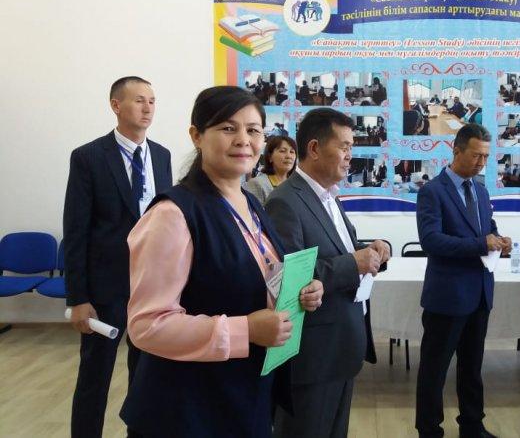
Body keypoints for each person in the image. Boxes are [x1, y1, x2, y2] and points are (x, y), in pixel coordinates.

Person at [120, 86, 323, 437]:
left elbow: (254, 274)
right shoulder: (173, 213)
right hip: (186, 410)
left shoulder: (250, 203)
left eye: (253, 130)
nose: (243, 139)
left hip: (243, 395)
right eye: (228, 128)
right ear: (197, 136)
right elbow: (147, 326)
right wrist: (246, 330)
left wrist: (298, 291)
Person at [264, 108, 391, 438]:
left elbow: (338, 248)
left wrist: (373, 249)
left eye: (352, 148)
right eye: (344, 147)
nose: (350, 156)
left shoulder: (329, 196)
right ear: (315, 148)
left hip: (340, 347)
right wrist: (355, 262)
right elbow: (290, 273)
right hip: (313, 355)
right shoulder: (285, 201)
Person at [63, 76, 173, 438]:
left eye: (152, 101)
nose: (147, 108)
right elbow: (76, 231)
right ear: (116, 105)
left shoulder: (161, 155)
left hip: (152, 286)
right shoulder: (89, 157)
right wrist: (78, 298)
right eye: (139, 100)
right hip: (105, 288)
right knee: (95, 377)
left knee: (146, 377)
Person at [415, 123, 512, 438]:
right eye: (476, 156)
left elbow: (488, 229)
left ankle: (472, 425)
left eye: (486, 157)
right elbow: (431, 241)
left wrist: (499, 240)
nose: (482, 163)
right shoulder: (432, 191)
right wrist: (482, 244)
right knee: (435, 370)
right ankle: (430, 430)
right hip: (447, 295)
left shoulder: (481, 190)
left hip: (480, 293)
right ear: (456, 151)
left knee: (472, 368)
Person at [246, 135, 298, 204]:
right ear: (270, 157)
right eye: (282, 151)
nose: (289, 156)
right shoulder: (258, 184)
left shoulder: (297, 184)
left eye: (292, 152)